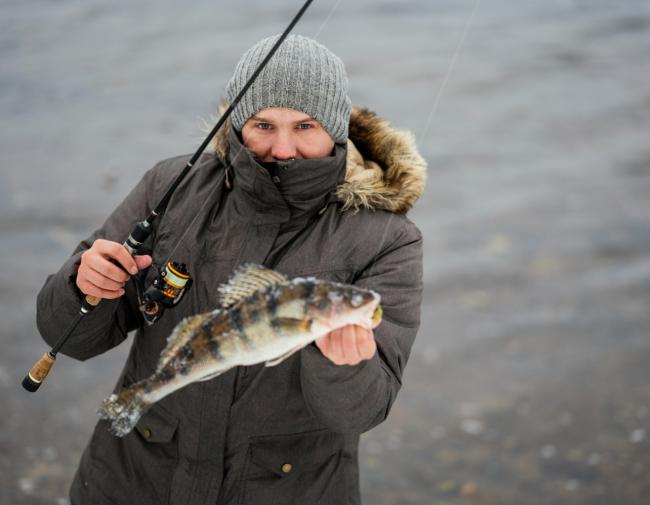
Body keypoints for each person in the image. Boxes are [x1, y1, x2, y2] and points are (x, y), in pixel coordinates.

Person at [36, 34, 426, 505]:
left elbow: (361, 412)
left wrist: (341, 367)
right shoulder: (169, 187)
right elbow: (73, 338)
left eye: (306, 125)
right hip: (133, 483)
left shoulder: (390, 239)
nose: (283, 149)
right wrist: (84, 286)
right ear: (238, 121)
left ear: (337, 128)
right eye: (264, 124)